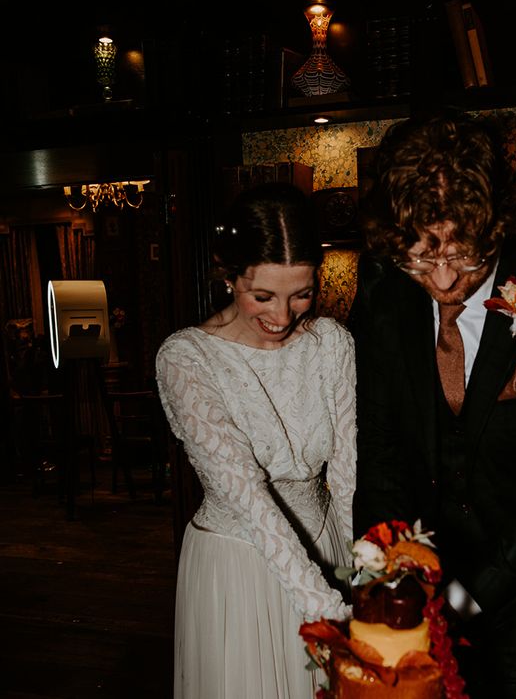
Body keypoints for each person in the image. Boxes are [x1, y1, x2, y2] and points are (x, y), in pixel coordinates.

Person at [350, 112, 516, 698]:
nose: (444, 278)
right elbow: (380, 451)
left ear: (494, 227)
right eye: (420, 256)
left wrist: (469, 596)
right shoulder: (383, 294)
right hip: (423, 582)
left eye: (465, 253)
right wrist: (388, 574)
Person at [155, 182, 356, 699]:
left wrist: (361, 576)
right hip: (239, 561)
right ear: (227, 275)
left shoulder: (331, 342)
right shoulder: (186, 358)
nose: (284, 316)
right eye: (262, 295)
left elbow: (350, 471)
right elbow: (244, 495)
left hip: (327, 546)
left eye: (302, 293)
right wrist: (328, 610)